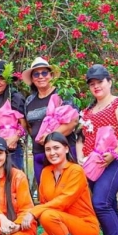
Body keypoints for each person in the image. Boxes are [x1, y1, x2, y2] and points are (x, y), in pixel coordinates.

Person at [77, 65, 118, 235]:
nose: (96, 86)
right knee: (106, 205)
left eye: (99, 82)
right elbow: (81, 138)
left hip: (117, 160)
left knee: (101, 202)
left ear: (109, 82)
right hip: (93, 164)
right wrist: (80, 159)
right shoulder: (88, 111)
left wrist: (114, 153)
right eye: (92, 84)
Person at [22, 133, 99, 235]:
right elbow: (44, 202)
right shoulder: (46, 172)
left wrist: (34, 211)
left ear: (67, 149)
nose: (52, 153)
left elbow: (64, 201)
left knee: (47, 215)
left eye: (56, 148)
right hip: (56, 225)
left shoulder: (76, 170)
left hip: (84, 227)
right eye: (48, 149)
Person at [22, 57, 79, 185]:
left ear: (51, 75)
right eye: (36, 74)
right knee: (45, 194)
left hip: (62, 153)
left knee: (65, 191)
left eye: (44, 73)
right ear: (32, 79)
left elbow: (73, 121)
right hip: (39, 154)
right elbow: (30, 126)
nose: (40, 76)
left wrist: (50, 137)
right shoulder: (29, 100)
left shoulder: (62, 94)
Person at [0, 61, 27, 169]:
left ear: (8, 80)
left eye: (1, 78)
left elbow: (24, 123)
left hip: (11, 150)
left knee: (13, 183)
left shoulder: (14, 98)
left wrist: (15, 138)